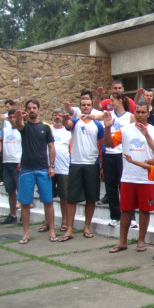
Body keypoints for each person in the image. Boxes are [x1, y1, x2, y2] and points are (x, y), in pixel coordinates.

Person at [104, 102, 154, 253]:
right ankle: (122, 242)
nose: (140, 115)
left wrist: (153, 161)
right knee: (125, 210)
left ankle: (141, 241)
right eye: (138, 112)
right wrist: (107, 128)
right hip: (128, 177)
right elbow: (109, 144)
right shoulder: (125, 130)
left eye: (143, 112)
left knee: (144, 210)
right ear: (134, 113)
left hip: (147, 178)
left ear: (148, 113)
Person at [59, 98, 104, 241]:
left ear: (92, 107)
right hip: (76, 163)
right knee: (72, 198)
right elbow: (67, 125)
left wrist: (101, 166)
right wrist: (65, 119)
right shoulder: (75, 122)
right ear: (80, 107)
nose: (86, 107)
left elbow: (101, 145)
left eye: (88, 105)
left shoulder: (98, 125)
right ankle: (69, 229)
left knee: (91, 198)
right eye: (83, 105)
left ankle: (87, 228)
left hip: (92, 164)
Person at [14, 99, 58, 244]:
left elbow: (51, 147)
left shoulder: (45, 127)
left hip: (43, 169)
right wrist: (19, 117)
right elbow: (18, 125)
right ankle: (26, 233)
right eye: (29, 108)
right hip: (27, 169)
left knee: (48, 202)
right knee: (25, 203)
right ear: (27, 110)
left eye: (34, 107)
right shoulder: (25, 127)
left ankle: (52, 231)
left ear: (38, 109)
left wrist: (51, 166)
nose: (32, 110)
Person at [101, 93, 135, 227]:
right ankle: (115, 216)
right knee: (110, 186)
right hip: (109, 153)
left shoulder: (130, 117)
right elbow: (96, 117)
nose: (111, 103)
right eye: (110, 100)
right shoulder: (108, 115)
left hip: (123, 154)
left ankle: (131, 217)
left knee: (125, 185)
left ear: (121, 101)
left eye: (113, 100)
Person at [0, 109, 22, 225]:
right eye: (10, 117)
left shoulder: (21, 130)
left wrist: (21, 161)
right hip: (6, 162)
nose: (12, 119)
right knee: (10, 190)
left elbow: (25, 146)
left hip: (17, 163)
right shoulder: (5, 130)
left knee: (21, 190)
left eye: (14, 117)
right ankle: (12, 215)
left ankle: (24, 216)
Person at [51, 109, 72, 232]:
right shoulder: (48, 129)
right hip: (49, 167)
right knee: (47, 196)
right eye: (55, 115)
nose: (57, 117)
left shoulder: (68, 131)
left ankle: (65, 221)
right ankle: (48, 222)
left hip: (64, 167)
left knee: (64, 196)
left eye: (59, 115)